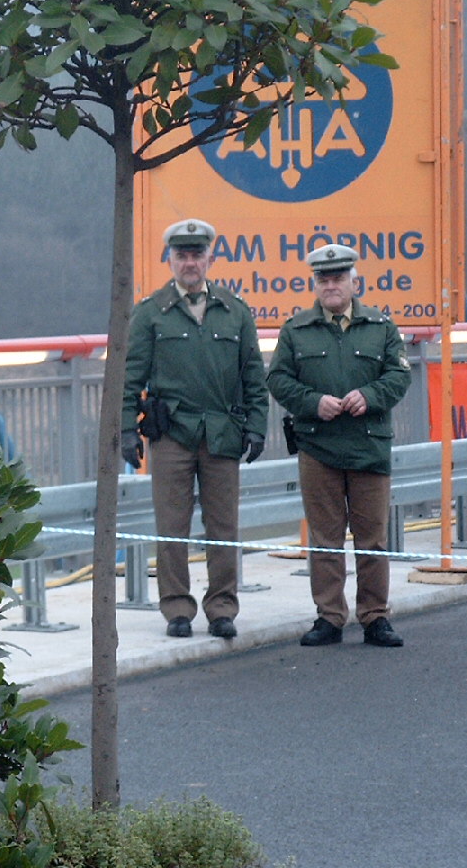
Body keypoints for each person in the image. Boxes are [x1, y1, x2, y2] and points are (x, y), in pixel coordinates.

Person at [122, 219, 267, 640]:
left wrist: (257, 426)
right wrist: (126, 430)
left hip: (222, 430)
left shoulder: (235, 311)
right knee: (172, 525)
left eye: (196, 255)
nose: (190, 263)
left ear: (210, 259)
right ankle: (177, 608)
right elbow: (129, 378)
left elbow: (253, 375)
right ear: (170, 259)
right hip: (172, 432)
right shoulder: (151, 313)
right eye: (181, 255)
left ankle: (222, 608)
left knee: (224, 526)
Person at [267, 242, 411, 648]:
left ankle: (375, 617)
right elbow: (278, 379)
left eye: (338, 278)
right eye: (323, 279)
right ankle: (329, 617)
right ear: (315, 285)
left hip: (368, 447)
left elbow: (399, 376)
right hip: (319, 448)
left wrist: (371, 395)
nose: (331, 285)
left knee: (372, 539)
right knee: (325, 539)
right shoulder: (296, 330)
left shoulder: (381, 327)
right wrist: (312, 402)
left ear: (354, 282)